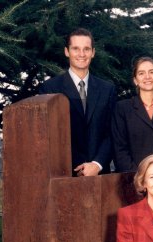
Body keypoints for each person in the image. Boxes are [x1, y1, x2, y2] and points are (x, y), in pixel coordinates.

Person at [39, 28, 116, 176]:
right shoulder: (49, 88)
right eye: (76, 48)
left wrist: (97, 164)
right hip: (62, 175)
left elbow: (112, 133)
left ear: (93, 52)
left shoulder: (108, 90)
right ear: (67, 51)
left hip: (99, 175)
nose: (81, 54)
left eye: (86, 49)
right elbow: (47, 136)